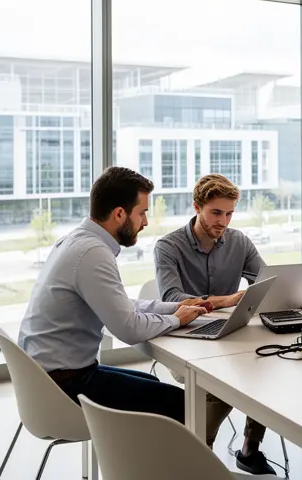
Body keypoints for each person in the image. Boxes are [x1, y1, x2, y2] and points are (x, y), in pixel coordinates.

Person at [18, 166, 210, 423]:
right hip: (65, 385)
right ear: (119, 214)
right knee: (182, 404)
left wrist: (174, 308)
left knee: (152, 383)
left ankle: (138, 448)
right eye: (142, 213)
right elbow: (128, 328)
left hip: (45, 379)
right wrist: (177, 320)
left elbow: (118, 304)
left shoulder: (74, 241)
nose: (145, 222)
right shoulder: (93, 253)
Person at [154, 173, 275, 475]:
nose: (223, 222)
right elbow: (173, 299)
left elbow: (266, 283)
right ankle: (199, 456)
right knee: (223, 379)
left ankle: (249, 449)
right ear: (197, 207)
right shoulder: (168, 247)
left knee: (268, 360)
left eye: (229, 214)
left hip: (228, 333)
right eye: (216, 213)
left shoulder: (239, 242)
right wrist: (227, 300)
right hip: (183, 339)